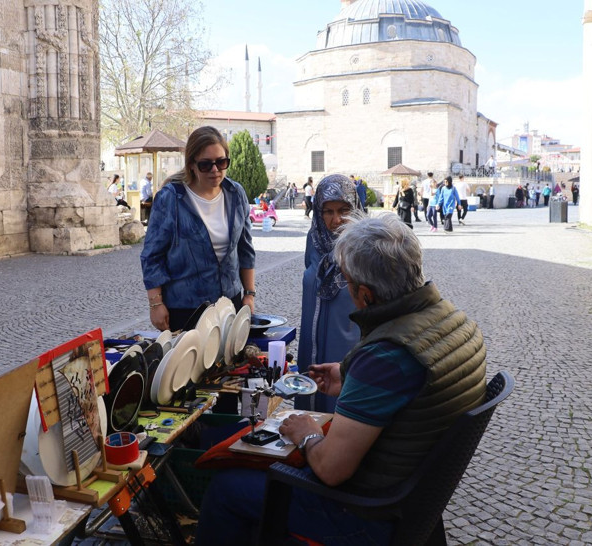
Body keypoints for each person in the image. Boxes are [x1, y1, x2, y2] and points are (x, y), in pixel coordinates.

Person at [194, 214, 487, 546]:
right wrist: (351, 378)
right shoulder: (456, 321)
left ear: (365, 295)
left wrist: (308, 434)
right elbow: (409, 391)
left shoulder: (385, 357)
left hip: (365, 516)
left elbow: (331, 469)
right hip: (413, 501)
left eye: (347, 282)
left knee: (226, 489)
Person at [140, 126, 255, 332]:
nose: (215, 170)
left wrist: (249, 294)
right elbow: (152, 256)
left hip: (230, 304)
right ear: (192, 165)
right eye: (205, 164)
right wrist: (155, 304)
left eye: (221, 162)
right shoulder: (171, 198)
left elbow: (245, 249)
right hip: (185, 308)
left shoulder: (235, 193)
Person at [297, 174, 362, 413]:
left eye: (344, 210)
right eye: (328, 211)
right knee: (312, 390)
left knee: (342, 394)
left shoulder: (365, 245)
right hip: (312, 337)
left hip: (347, 339)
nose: (336, 220)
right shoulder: (314, 239)